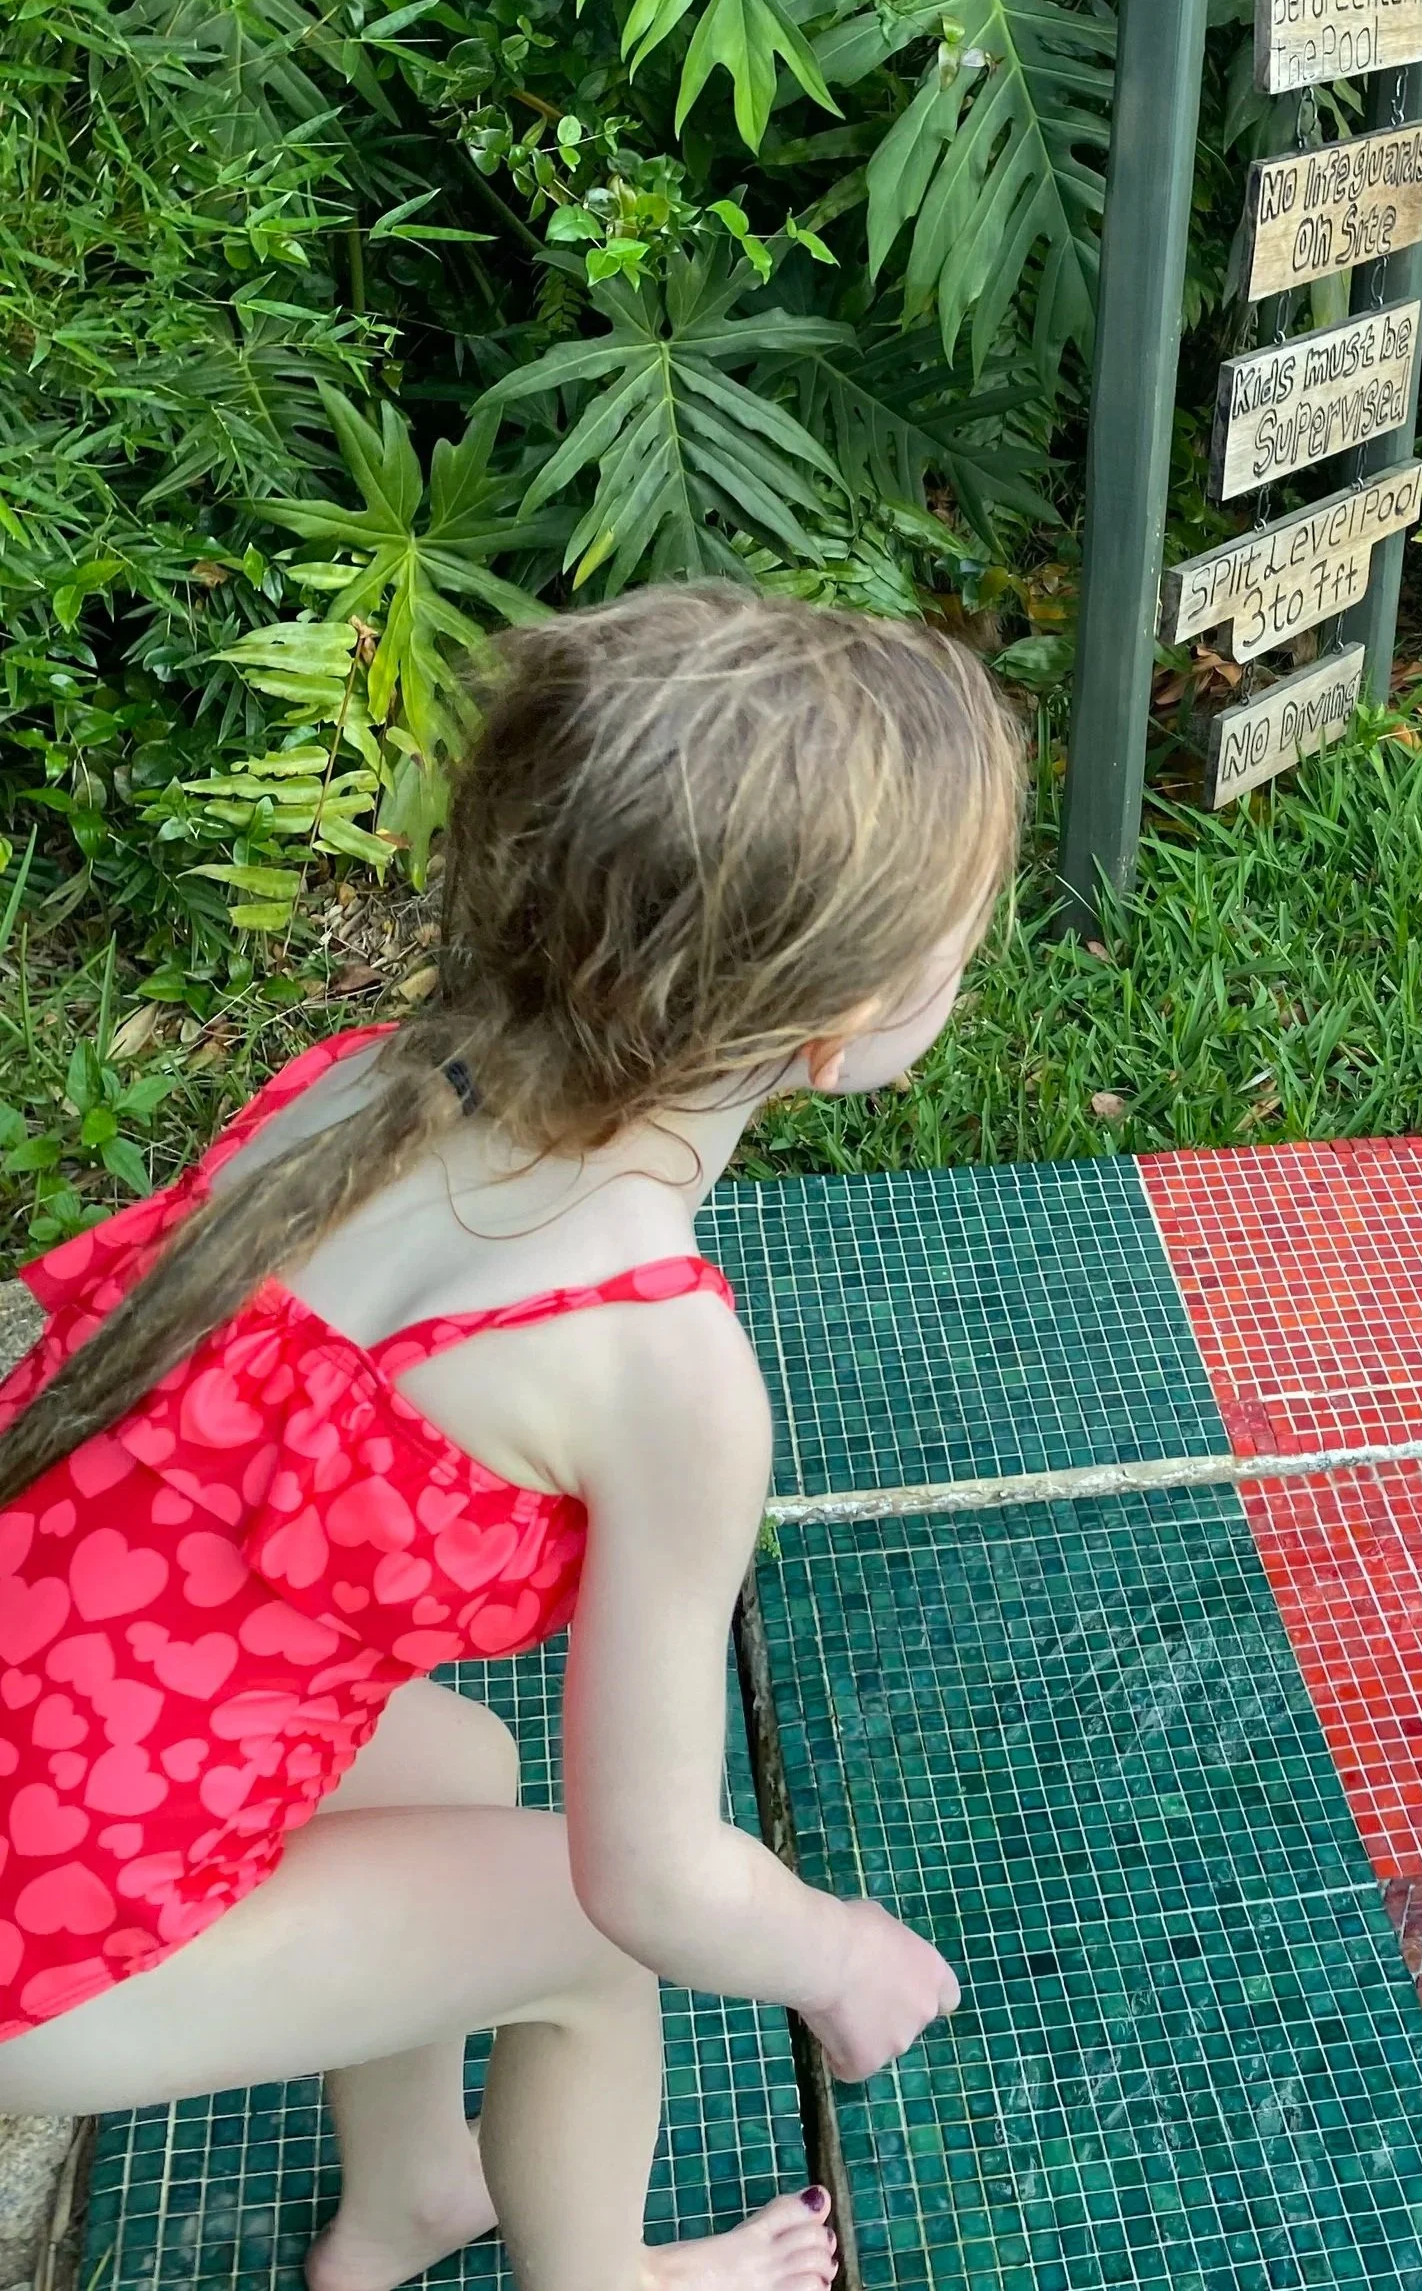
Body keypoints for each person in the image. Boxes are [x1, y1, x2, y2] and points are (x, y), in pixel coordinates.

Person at [0, 588, 1027, 2291]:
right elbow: (652, 1872)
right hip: (43, 1932)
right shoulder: (654, 1369)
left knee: (466, 1766)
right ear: (836, 1032)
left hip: (47, 1747)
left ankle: (410, 2193)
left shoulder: (361, 1086)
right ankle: (602, 2280)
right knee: (579, 1937)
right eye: (957, 943)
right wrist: (834, 1950)